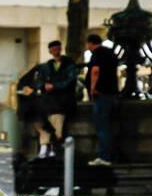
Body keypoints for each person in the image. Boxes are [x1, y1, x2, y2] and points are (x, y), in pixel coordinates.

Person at [33, 40, 78, 157]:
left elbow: (70, 81)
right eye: (54, 50)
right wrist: (45, 86)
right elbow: (40, 81)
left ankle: (47, 145)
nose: (56, 52)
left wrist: (53, 86)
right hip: (52, 100)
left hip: (61, 101)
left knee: (55, 119)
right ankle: (49, 145)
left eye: (57, 49)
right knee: (49, 120)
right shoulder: (48, 66)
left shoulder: (67, 64)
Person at [85, 32, 119, 166]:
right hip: (112, 92)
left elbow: (95, 71)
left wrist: (93, 88)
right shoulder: (110, 53)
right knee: (108, 125)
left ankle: (104, 156)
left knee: (102, 126)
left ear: (91, 43)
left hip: (102, 93)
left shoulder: (97, 54)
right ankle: (109, 155)